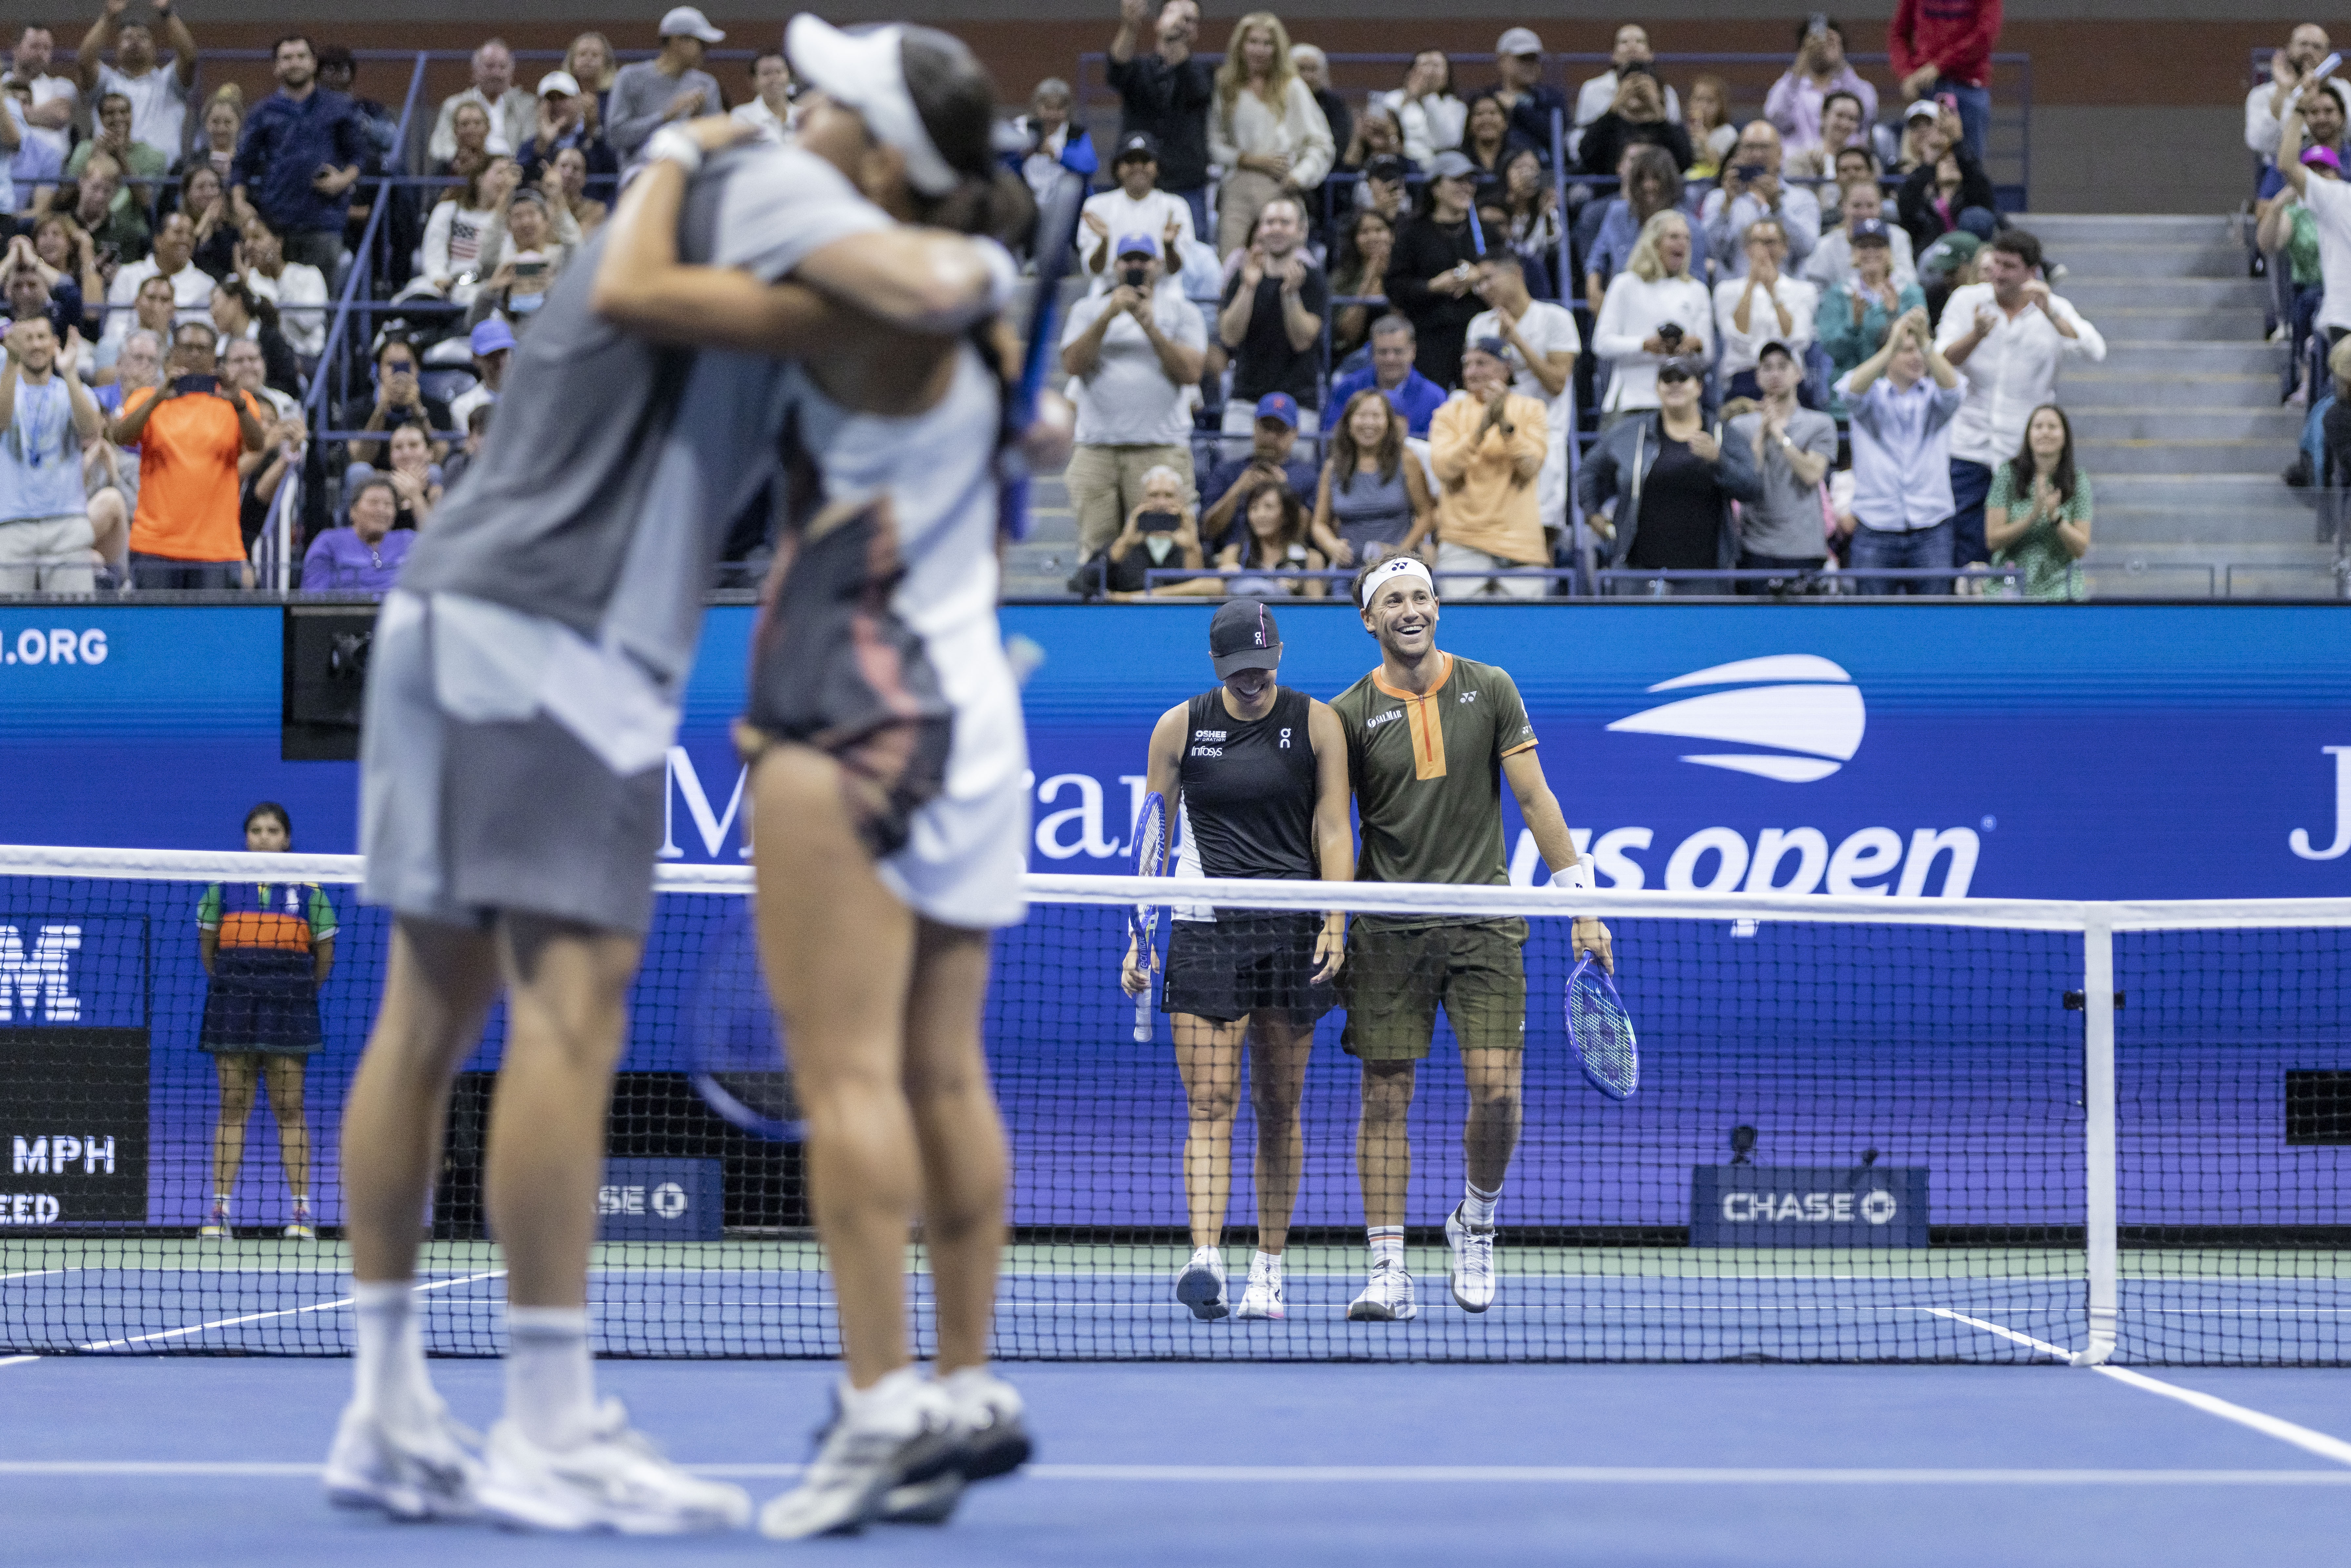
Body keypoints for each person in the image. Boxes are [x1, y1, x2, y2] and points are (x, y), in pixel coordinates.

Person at [324, 33, 1023, 1539]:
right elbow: (909, 282)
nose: (794, 107)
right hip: (564, 637)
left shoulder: (716, 183)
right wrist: (983, 273)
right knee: (568, 1011)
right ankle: (550, 1425)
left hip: (451, 605)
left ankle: (386, 1408)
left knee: (426, 1013)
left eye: (827, 93)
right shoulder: (770, 182)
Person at [587, 17, 1060, 1529]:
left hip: (850, 711)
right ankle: (968, 1380)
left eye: (829, 98)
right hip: (970, 700)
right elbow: (1022, 437)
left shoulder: (871, 286)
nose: (804, 110)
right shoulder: (970, 308)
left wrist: (672, 150)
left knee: (849, 1074)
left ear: (874, 144)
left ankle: (877, 1409)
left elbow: (635, 289)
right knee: (938, 1067)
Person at [1332, 555, 1609, 1321]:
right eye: (1394, 600)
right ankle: (1388, 1269)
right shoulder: (1346, 714)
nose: (1411, 608)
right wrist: (1325, 919)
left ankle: (1475, 1222)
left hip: (1485, 922)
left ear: (1437, 607)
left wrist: (1580, 905)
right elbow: (1328, 829)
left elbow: (1534, 796)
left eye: (1421, 595)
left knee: (1498, 1091)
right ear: (1370, 619)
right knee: (1385, 1098)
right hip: (1389, 931)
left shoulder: (1490, 687)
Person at [1120, 601, 1351, 1318]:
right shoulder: (1179, 726)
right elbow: (1152, 834)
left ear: (1278, 654)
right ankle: (1206, 1256)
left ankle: (1269, 1268)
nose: (1251, 680)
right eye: (1236, 671)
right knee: (1209, 1103)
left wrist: (1336, 920)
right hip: (1203, 928)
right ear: (1214, 665)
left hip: (1291, 933)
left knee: (1279, 1108)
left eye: (1261, 667)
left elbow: (1333, 825)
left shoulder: (1316, 722)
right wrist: (1139, 931)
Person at [195, 804, 334, 1241]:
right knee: (232, 1108)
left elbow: (323, 960)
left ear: (287, 838)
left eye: (273, 830)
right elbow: (209, 951)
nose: (263, 837)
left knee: (289, 1109)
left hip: (289, 1008)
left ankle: (301, 1213)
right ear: (246, 837)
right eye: (255, 830)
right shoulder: (221, 888)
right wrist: (236, 986)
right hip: (233, 1005)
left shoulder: (312, 893)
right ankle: (219, 1213)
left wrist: (293, 990)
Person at [1934, 228, 2104, 572]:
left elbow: (2095, 351)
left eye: (2009, 266)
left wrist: (2052, 317)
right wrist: (1976, 336)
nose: (1998, 273)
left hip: (2022, 453)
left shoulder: (2054, 307)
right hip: (1970, 446)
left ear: (2031, 272)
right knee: (1967, 551)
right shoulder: (1967, 301)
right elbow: (1941, 359)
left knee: (2019, 550)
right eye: (1995, 263)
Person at [1060, 230, 1207, 558]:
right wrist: (1107, 316)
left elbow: (1191, 373)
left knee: (1167, 550)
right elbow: (1072, 364)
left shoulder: (1183, 313)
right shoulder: (1088, 310)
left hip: (1160, 447)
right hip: (1097, 448)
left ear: (1158, 265)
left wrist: (1149, 326)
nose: (1135, 265)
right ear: (1115, 265)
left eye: (1143, 259)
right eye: (1128, 259)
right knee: (1096, 552)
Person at [1577, 354, 1761, 589]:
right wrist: (1592, 514)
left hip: (1705, 579)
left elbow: (1752, 487)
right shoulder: (1630, 433)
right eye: (1667, 379)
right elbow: (1588, 470)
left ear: (1699, 387)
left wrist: (1719, 461)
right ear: (1657, 388)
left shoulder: (1722, 434)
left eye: (1683, 378)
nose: (1674, 384)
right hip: (1638, 575)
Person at [108, 320, 266, 588]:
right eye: (187, 347)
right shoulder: (147, 397)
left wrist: (237, 402)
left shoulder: (237, 401)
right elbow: (122, 437)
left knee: (213, 631)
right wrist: (159, 396)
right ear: (172, 354)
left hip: (217, 548)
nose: (194, 354)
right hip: (156, 545)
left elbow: (257, 444)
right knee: (155, 631)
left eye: (203, 349)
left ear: (215, 356)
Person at [1836, 305, 1965, 594]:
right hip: (1875, 527)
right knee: (1872, 625)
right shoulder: (1870, 395)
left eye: (1918, 349)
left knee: (1934, 625)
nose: (1917, 357)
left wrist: (1926, 343)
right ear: (1888, 355)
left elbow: (1954, 392)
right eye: (1906, 350)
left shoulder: (1935, 395)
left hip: (1932, 526)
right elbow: (1849, 391)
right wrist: (1891, 343)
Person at [229, 35, 362, 277]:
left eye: (301, 57)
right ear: (276, 67)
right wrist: (239, 203)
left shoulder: (339, 108)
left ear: (313, 63)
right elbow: (242, 164)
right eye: (287, 58)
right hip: (275, 225)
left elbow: (358, 156)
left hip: (324, 225)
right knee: (276, 300)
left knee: (322, 306)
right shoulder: (262, 112)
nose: (295, 63)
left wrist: (342, 180)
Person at [1467, 251, 1579, 537]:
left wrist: (1516, 339)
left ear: (1516, 274)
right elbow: (1474, 384)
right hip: (1494, 436)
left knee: (1542, 532)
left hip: (1545, 436)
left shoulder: (1556, 318)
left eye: (1489, 279)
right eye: (1478, 283)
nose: (1483, 289)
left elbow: (1557, 383)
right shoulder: (1480, 324)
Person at [1427, 338, 1547, 598]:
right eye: (1467, 365)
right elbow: (1444, 469)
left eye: (1481, 363)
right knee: (1463, 630)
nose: (1471, 372)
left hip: (1519, 544)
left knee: (1526, 630)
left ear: (1506, 369)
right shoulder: (1448, 413)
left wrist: (1504, 424)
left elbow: (1530, 466)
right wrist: (1480, 431)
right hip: (1462, 541)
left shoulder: (1531, 409)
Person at [1206, 13, 1332, 260]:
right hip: (1237, 186)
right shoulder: (1226, 86)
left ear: (1278, 49)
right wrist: (1249, 160)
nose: (1260, 50)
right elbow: (1214, 142)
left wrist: (1299, 177)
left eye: (1268, 43)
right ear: (1240, 46)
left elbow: (1321, 143)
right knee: (1230, 264)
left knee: (1286, 264)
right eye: (1253, 42)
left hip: (1281, 185)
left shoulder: (1293, 87)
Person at [0, 314, 104, 593]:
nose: (35, 345)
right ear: (14, 343)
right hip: (11, 525)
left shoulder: (72, 390)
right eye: (27, 338)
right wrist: (10, 361)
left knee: (75, 622)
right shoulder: (6, 389)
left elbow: (91, 431)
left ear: (55, 342)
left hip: (66, 524)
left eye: (42, 337)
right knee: (5, 624)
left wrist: (70, 372)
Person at [1216, 194, 1324, 455]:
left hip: (1298, 403)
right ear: (1260, 229)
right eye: (1270, 222)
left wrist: (1290, 295)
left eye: (1285, 223)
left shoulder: (1313, 279)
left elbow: (1303, 340)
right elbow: (1230, 337)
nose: (1276, 229)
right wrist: (1248, 287)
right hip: (1246, 401)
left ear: (1301, 231)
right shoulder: (1242, 276)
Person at [1726, 341, 1838, 587]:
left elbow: (1811, 474)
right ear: (1757, 377)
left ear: (1798, 374)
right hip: (1755, 547)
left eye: (1782, 367)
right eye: (1767, 368)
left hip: (1804, 549)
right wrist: (1761, 434)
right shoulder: (1741, 427)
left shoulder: (1820, 424)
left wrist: (1780, 435)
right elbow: (1746, 482)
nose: (1775, 374)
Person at [1108, 0, 1214, 239]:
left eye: (1190, 20)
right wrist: (1130, 25)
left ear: (1196, 32)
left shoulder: (1204, 71)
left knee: (1194, 254)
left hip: (1186, 183)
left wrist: (1174, 39)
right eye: (1175, 15)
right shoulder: (1138, 69)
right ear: (1157, 23)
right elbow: (1117, 70)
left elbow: (1196, 91)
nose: (1182, 23)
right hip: (1137, 178)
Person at [1592, 209, 1712, 418]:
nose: (1682, 243)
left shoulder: (1697, 290)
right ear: (1654, 242)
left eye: (1687, 239)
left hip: (1681, 405)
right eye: (1674, 237)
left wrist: (1694, 346)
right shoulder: (1625, 284)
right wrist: (1645, 345)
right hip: (1631, 401)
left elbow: (1709, 354)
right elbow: (1601, 344)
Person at [1384, 150, 1484, 391]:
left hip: (1474, 337)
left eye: (1469, 181)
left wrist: (1479, 277)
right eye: (1457, 181)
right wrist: (1433, 286)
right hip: (1428, 335)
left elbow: (1505, 273)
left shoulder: (1484, 229)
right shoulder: (1413, 232)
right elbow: (1395, 287)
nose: (1466, 188)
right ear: (1436, 188)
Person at [1312, 386, 1434, 567]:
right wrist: (1332, 546)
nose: (1368, 423)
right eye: (1361, 416)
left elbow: (1425, 515)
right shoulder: (1333, 467)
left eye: (1376, 416)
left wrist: (1401, 552)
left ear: (1388, 424)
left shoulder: (1407, 460)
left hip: (1399, 566)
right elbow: (1319, 524)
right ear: (1348, 423)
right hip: (1349, 568)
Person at [1152, 478, 1327, 598]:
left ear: (1287, 515)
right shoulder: (1234, 553)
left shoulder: (1311, 558)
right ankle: (1147, 596)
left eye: (1269, 507)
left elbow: (1318, 610)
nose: (1260, 515)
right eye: (1254, 508)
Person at [1984, 402, 2088, 602]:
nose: (2045, 433)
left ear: (2065, 436)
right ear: (2028, 435)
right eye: (2038, 427)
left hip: (2060, 582)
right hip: (2012, 580)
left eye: (2053, 427)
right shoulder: (2008, 474)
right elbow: (1993, 540)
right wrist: (2033, 516)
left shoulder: (2078, 480)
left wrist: (2055, 518)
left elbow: (2081, 548)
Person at [1818, 218, 1926, 405]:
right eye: (1864, 247)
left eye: (1878, 247)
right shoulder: (1838, 294)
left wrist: (1893, 315)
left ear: (1889, 252)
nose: (1871, 253)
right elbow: (1832, 351)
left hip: (1900, 396)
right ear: (1854, 253)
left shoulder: (1910, 294)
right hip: (1849, 397)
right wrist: (1855, 325)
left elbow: (1919, 346)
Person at [76, 0, 197, 159]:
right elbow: (85, 60)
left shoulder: (168, 81)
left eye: (143, 37)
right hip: (112, 172)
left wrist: (166, 13)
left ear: (154, 48)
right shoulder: (107, 81)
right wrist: (108, 17)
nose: (135, 41)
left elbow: (190, 58)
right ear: (117, 49)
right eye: (127, 37)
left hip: (163, 175)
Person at [607, 7, 727, 169]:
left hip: (691, 177)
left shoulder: (707, 84)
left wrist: (697, 122)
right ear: (677, 41)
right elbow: (616, 137)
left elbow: (717, 143)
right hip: (640, 177)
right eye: (701, 44)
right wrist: (665, 117)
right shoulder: (630, 77)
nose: (704, 51)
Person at [1713, 217, 1818, 400]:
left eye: (1770, 242)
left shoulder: (1804, 291)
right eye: (1756, 242)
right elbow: (1736, 338)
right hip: (1743, 378)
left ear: (1784, 248)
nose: (1763, 249)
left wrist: (1773, 293)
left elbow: (1797, 339)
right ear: (1747, 249)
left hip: (1788, 379)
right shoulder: (1726, 290)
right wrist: (1751, 286)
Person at [1197, 392, 1318, 549]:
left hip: (1288, 559)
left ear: (1295, 433)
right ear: (1255, 426)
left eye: (1280, 430)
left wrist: (1284, 491)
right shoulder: (1227, 471)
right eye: (1266, 427)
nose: (1272, 436)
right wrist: (1237, 490)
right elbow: (1207, 530)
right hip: (1232, 559)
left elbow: (1308, 531)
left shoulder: (1308, 476)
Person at [1702, 120, 1820, 279]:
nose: (1757, 155)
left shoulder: (1803, 199)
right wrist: (1727, 206)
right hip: (1736, 294)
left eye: (1764, 147)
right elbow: (1709, 251)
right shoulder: (1719, 199)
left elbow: (1808, 248)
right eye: (1750, 147)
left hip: (1788, 295)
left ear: (1780, 154)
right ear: (1738, 154)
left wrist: (1777, 207)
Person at [1079, 131, 1196, 287]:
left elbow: (1177, 270)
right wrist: (1105, 242)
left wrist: (1169, 247)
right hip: (1109, 290)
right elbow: (1094, 271)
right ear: (1117, 168)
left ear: (1157, 167)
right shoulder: (1096, 206)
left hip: (1162, 292)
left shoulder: (1175, 206)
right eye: (1130, 160)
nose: (1138, 166)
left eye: (1145, 160)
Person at [1891, 0, 2001, 163]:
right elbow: (1898, 33)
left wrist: (1938, 67)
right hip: (1928, 87)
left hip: (1969, 86)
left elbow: (1985, 35)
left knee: (1969, 165)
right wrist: (1906, 74)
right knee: (1922, 162)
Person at [1766, 17, 1878, 168]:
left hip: (1844, 163)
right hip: (1801, 165)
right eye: (1816, 41)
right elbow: (1775, 115)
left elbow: (1869, 114)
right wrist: (1804, 59)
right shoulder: (1792, 85)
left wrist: (1840, 62)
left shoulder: (1850, 84)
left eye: (1832, 42)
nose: (1823, 45)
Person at [1582, 145, 1685, 309]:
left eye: (1656, 178)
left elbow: (1694, 282)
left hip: (1668, 307)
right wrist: (1593, 289)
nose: (1648, 186)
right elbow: (1596, 258)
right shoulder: (1618, 214)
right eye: (1642, 179)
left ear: (1669, 183)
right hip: (1623, 304)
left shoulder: (1686, 225)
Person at [1081, 462, 1204, 596]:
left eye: (1169, 496)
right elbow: (1083, 585)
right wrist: (1125, 543)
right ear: (1142, 500)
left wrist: (1192, 548)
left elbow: (1207, 590)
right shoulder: (1124, 547)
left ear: (1181, 501)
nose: (1161, 503)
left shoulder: (1193, 546)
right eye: (1154, 495)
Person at [99, 209, 208, 357]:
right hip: (128, 354)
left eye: (190, 235)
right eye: (178, 232)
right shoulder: (128, 275)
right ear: (158, 241)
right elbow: (115, 330)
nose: (185, 240)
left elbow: (204, 336)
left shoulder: (206, 284)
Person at [1896, 106, 1997, 257]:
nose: (1952, 162)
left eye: (1955, 159)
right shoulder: (1924, 202)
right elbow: (1907, 209)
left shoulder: (1973, 198)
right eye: (1944, 158)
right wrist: (1929, 160)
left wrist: (1957, 142)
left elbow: (1978, 182)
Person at [1328, 312, 1446, 438]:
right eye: (1383, 352)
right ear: (1372, 353)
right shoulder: (1347, 389)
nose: (1390, 359)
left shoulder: (1435, 398)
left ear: (1413, 351)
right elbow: (1329, 440)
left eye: (1398, 351)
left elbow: (1437, 451)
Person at [235, 215, 328, 360]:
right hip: (258, 359)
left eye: (257, 238)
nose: (249, 246)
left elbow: (308, 322)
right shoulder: (243, 280)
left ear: (278, 242)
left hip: (306, 358)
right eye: (245, 240)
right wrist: (244, 286)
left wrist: (278, 276)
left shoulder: (309, 275)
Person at [348, 335, 449, 468]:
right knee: (359, 471)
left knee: (435, 471)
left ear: (417, 368)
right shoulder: (357, 409)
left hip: (421, 476)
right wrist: (381, 409)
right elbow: (359, 459)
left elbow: (440, 458)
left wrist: (417, 409)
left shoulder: (438, 408)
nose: (399, 373)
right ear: (379, 369)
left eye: (405, 365)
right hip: (376, 481)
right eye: (391, 365)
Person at [427, 36, 530, 163]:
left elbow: (530, 149)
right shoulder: (453, 106)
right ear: (475, 71)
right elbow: (438, 148)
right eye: (489, 67)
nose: (496, 74)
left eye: (502, 67)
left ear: (511, 72)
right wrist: (465, 158)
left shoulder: (526, 106)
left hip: (512, 171)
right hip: (468, 173)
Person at [1805, 180, 1919, 294]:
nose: (1864, 213)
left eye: (1870, 206)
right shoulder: (1826, 245)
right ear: (1844, 207)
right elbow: (1815, 289)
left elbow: (1909, 280)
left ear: (1880, 207)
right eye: (1857, 206)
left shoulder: (1898, 237)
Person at [300, 473, 409, 592]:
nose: (381, 510)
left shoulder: (408, 540)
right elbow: (313, 598)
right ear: (353, 511)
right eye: (374, 503)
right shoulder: (328, 542)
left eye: (388, 504)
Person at [1577, 67, 1689, 181]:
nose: (1637, 91)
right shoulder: (1610, 125)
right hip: (1610, 194)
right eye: (1630, 87)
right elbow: (1587, 155)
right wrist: (1614, 108)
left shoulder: (1665, 127)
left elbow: (1684, 162)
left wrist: (1658, 112)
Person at [65, 88, 166, 210]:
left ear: (132, 116)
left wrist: (121, 159)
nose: (118, 118)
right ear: (101, 118)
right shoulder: (85, 148)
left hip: (132, 226)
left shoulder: (153, 156)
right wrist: (94, 157)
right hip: (89, 222)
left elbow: (147, 202)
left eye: (124, 112)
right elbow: (66, 197)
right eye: (111, 113)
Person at [1573, 24, 1679, 141]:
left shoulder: (1667, 92)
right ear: (1613, 55)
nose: (1632, 47)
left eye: (1640, 41)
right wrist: (1616, 105)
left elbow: (1678, 142)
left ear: (1651, 55)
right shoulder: (1593, 89)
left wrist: (1656, 107)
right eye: (1624, 42)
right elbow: (1578, 144)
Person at [518, 70, 618, 190]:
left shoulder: (596, 140)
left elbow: (610, 174)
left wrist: (593, 134)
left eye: (563, 97)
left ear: (578, 101)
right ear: (539, 105)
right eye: (550, 99)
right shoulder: (529, 147)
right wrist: (542, 146)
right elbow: (521, 185)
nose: (557, 104)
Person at [2250, 25, 2335, 166]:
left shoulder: (2343, 91)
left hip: (2335, 174)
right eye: (2303, 45)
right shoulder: (2261, 95)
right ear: (2289, 49)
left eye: (2317, 47)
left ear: (2327, 54)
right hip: (2280, 175)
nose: (2309, 51)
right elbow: (2261, 144)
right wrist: (2282, 92)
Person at [1007, 76, 1097, 209]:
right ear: (1037, 106)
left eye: (1059, 109)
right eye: (1048, 108)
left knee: (1072, 187)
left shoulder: (1076, 133)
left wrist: (1057, 154)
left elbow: (1090, 165)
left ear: (1068, 109)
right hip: (1024, 197)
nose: (1053, 115)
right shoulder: (1020, 127)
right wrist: (1021, 155)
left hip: (1061, 201)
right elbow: (1000, 164)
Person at [207, 276, 298, 398]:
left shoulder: (271, 339)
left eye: (215, 303)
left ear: (236, 302)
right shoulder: (218, 345)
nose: (212, 312)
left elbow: (289, 385)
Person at [1489, 26, 1569, 155]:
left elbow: (1557, 135)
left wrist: (1517, 108)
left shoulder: (1552, 99)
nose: (1530, 65)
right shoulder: (1488, 99)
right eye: (1523, 59)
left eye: (1533, 59)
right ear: (1502, 61)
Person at [1326, 207, 1392, 363]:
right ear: (1355, 239)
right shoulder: (1341, 278)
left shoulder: (1408, 273)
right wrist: (1369, 277)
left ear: (1392, 235)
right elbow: (1348, 335)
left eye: (1380, 230)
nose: (1373, 237)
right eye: (1365, 232)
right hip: (1354, 357)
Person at [6, 26, 79, 166]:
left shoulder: (61, 85)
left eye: (47, 49)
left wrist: (10, 114)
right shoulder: (2, 84)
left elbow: (60, 115)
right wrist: (40, 116)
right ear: (16, 49)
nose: (41, 54)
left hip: (52, 172)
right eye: (34, 47)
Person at [1378, 48, 1463, 167]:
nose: (1430, 72)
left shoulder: (1457, 106)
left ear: (1447, 75)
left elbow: (1447, 142)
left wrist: (1429, 98)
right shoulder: (1393, 98)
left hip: (1439, 170)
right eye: (1425, 65)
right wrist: (1410, 97)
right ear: (1411, 72)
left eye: (1436, 66)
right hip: (1401, 165)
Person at [1289, 44, 1349, 175]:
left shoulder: (1334, 103)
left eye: (1313, 70)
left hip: (1327, 171)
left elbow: (1340, 141)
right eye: (1302, 69)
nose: (1308, 77)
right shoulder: (1282, 101)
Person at [1786, 89, 1869, 181]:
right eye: (1840, 116)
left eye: (1852, 119)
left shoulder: (1865, 163)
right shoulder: (1801, 159)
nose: (1845, 124)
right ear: (1824, 116)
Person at [448, 314, 511, 432]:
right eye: (491, 355)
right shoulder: (463, 407)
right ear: (475, 359)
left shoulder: (533, 398)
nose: (499, 361)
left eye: (503, 352)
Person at [729, 49, 794, 146]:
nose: (774, 78)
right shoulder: (742, 117)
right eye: (766, 73)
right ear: (754, 81)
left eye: (779, 72)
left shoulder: (803, 116)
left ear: (789, 76)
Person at [1457, 92, 1523, 182]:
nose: (1486, 120)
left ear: (1505, 123)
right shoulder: (1458, 158)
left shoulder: (1520, 157)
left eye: (1493, 113)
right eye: (1479, 114)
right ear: (1469, 124)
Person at [1682, 72, 1736, 179]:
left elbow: (1721, 170)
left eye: (1710, 101)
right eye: (1698, 99)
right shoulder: (1682, 132)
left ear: (1721, 106)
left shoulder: (1727, 133)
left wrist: (1704, 142)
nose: (1703, 106)